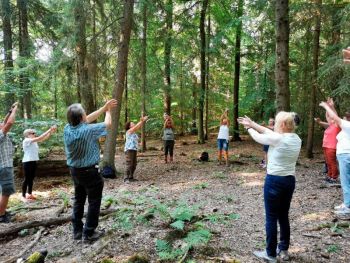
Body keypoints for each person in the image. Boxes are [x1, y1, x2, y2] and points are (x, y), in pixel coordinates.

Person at [238, 111, 301, 263]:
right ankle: (283, 249)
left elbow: (260, 137)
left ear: (284, 125)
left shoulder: (278, 138)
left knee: (271, 217)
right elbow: (270, 132)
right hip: (289, 181)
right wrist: (252, 123)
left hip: (274, 181)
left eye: (278, 122)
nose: (275, 125)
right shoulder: (296, 139)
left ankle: (270, 254)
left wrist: (248, 129)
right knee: (283, 215)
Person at [63, 99, 117, 242]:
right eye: (84, 114)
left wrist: (103, 107)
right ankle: (89, 232)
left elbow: (87, 119)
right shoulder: (88, 130)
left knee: (79, 200)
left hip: (75, 171)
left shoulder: (67, 128)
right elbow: (108, 124)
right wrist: (107, 111)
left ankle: (77, 231)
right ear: (81, 118)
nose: (86, 115)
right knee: (94, 201)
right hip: (90, 172)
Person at [319, 101, 350, 217]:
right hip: (345, 156)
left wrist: (326, 106)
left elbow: (334, 117)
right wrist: (331, 107)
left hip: (346, 156)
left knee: (346, 182)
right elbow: (333, 118)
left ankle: (347, 206)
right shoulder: (346, 126)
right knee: (347, 181)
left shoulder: (347, 126)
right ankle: (347, 203)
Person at [22, 125, 57, 201]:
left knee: (31, 178)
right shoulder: (27, 140)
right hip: (27, 162)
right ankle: (23, 196)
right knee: (27, 179)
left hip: (33, 161)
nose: (34, 134)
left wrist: (50, 132)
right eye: (33, 133)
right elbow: (40, 138)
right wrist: (49, 129)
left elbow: (42, 139)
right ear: (28, 134)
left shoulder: (33, 141)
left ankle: (30, 194)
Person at [0, 102, 18, 223]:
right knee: (6, 192)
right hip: (4, 167)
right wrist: (15, 110)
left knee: (3, 191)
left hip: (3, 166)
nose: (2, 123)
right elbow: (9, 123)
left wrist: (10, 111)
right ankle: (1, 216)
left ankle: (2, 211)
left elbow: (5, 122)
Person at [315, 98, 340, 184]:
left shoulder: (336, 124)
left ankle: (334, 177)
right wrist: (319, 121)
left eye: (331, 117)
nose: (329, 118)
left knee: (332, 162)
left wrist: (331, 107)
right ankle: (329, 175)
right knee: (328, 162)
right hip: (326, 146)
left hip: (332, 147)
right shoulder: (330, 125)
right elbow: (327, 117)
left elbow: (335, 116)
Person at [124, 115, 148, 183]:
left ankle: (131, 177)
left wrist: (142, 121)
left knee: (134, 164)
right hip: (129, 149)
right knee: (129, 163)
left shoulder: (134, 132)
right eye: (132, 123)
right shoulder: (129, 131)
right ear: (129, 126)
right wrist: (141, 120)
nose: (133, 124)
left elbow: (138, 127)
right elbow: (136, 127)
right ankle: (126, 178)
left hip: (134, 149)